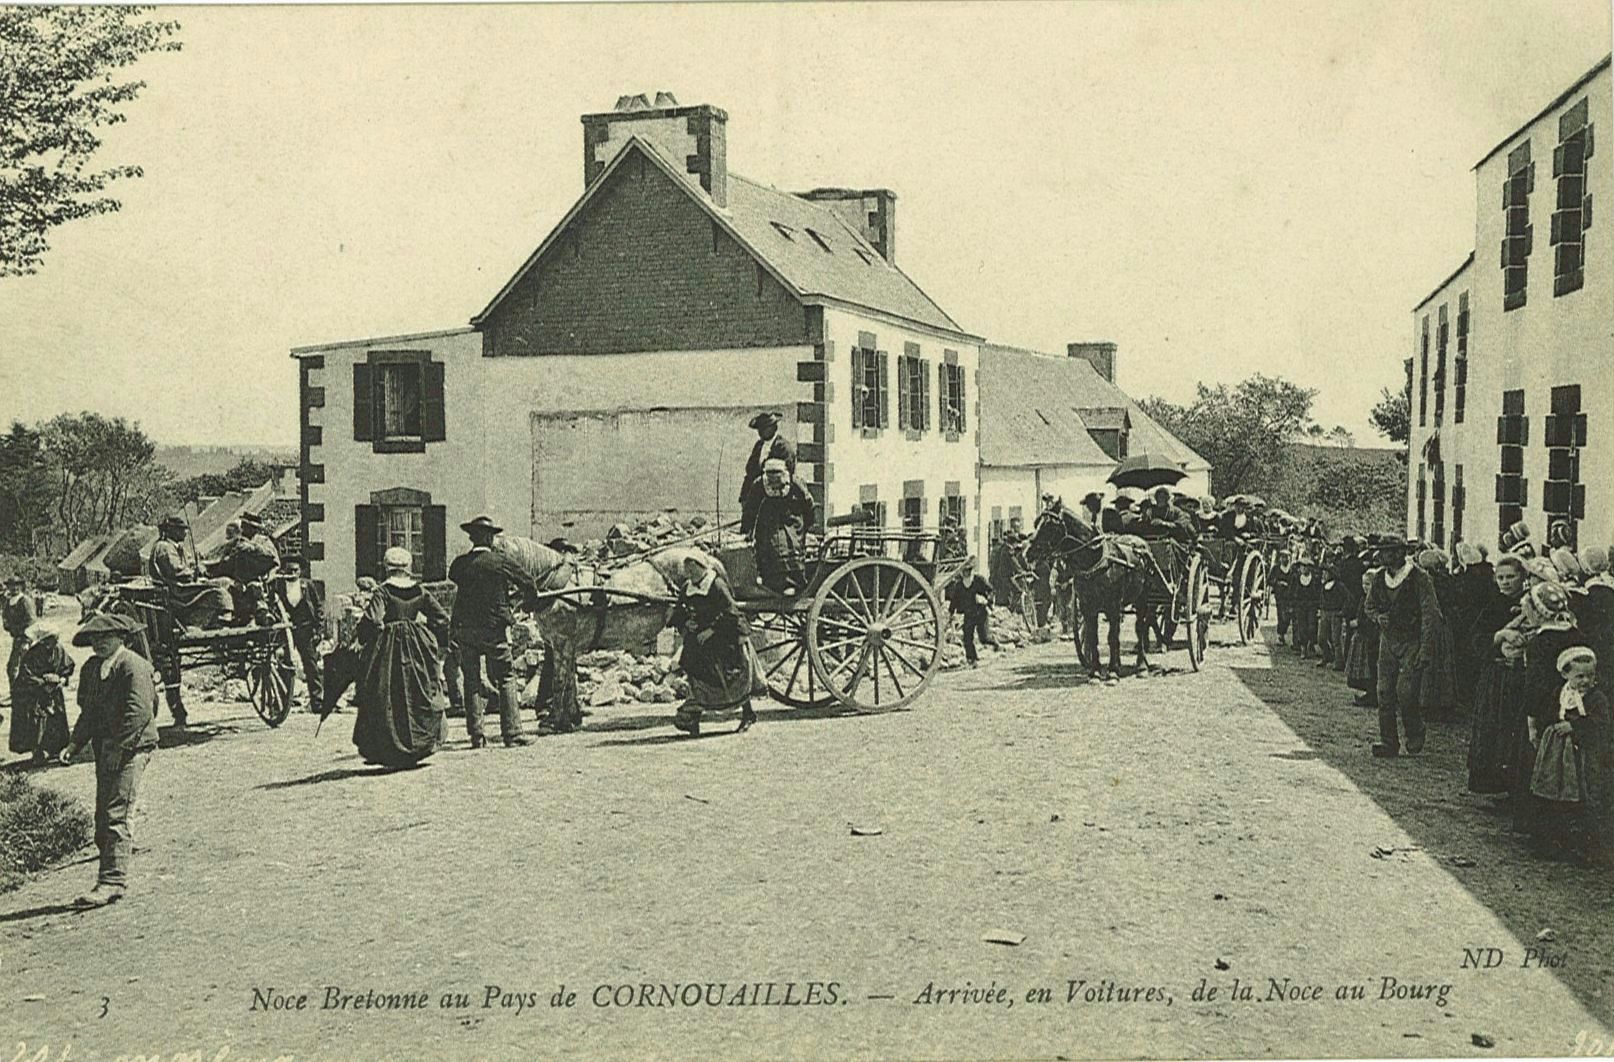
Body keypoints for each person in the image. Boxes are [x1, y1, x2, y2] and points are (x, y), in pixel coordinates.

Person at [60, 612, 159, 908]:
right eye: (94, 638)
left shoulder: (133, 666)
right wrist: (74, 744)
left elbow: (139, 712)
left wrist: (120, 747)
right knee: (103, 812)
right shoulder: (93, 669)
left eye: (106, 637)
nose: (99, 643)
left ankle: (112, 881)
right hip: (105, 747)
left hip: (132, 747)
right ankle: (111, 864)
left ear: (121, 638)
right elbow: (89, 712)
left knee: (117, 810)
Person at [344, 547, 450, 769]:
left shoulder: (383, 591)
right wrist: (429, 636)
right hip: (417, 645)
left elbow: (373, 619)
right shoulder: (419, 590)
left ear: (387, 567)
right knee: (417, 691)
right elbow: (441, 617)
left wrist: (363, 637)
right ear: (408, 567)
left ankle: (390, 748)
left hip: (389, 645)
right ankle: (418, 743)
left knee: (386, 694)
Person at [448, 515, 535, 749]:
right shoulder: (500, 561)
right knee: (506, 676)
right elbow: (529, 583)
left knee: (472, 680)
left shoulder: (459, 564)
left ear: (472, 538)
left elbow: (453, 577)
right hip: (494, 629)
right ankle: (512, 733)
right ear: (489, 538)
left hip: (465, 629)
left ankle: (477, 735)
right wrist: (521, 604)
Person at [1515, 580, 1587, 839]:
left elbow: (1534, 686)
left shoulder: (1540, 642)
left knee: (1541, 764)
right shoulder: (1576, 634)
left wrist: (1531, 721)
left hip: (1546, 713)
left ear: (1538, 612)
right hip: (1573, 709)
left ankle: (1538, 826)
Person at [1528, 646, 1609, 863]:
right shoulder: (1560, 694)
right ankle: (1553, 842)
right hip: (1558, 755)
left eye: (1590, 676)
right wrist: (1549, 728)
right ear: (1566, 674)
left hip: (1583, 756)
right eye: (1579, 676)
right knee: (1554, 793)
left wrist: (1575, 727)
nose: (1585, 681)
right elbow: (1548, 714)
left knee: (1583, 796)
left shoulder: (1596, 699)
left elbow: (1601, 724)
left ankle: (1584, 847)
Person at [1365, 539, 1441, 758]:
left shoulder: (1419, 578)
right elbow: (1369, 606)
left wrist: (1425, 649)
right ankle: (1388, 742)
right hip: (1388, 641)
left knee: (1406, 692)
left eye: (1387, 552)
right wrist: (1378, 617)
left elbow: (1430, 615)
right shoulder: (1379, 578)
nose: (1382, 556)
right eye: (1381, 552)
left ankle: (1415, 732)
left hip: (1412, 641)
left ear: (1400, 553)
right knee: (1383, 691)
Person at [669, 555, 755, 736]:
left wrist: (711, 630)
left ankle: (748, 713)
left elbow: (731, 612)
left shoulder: (716, 585)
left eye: (693, 569)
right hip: (700, 640)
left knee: (730, 676)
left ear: (702, 567)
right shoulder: (688, 588)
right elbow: (678, 611)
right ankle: (693, 719)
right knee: (695, 673)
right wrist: (686, 623)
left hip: (723, 635)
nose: (690, 574)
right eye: (687, 570)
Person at [1466, 554, 1530, 795]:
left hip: (1519, 676)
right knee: (1491, 726)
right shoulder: (1492, 604)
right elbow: (1475, 639)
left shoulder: (1530, 604)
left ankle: (1512, 787)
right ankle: (1491, 782)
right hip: (1495, 676)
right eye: (1501, 578)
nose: (1505, 582)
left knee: (1513, 729)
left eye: (1510, 577)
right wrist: (1499, 637)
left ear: (1522, 577)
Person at [148, 515, 234, 631]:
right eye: (181, 529)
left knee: (226, 582)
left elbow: (190, 562)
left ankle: (219, 619)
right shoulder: (163, 547)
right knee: (219, 593)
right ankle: (205, 622)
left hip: (185, 585)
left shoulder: (177, 547)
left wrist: (199, 567)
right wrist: (194, 573)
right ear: (172, 530)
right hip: (178, 590)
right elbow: (176, 571)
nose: (185, 533)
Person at [8, 622, 74, 765]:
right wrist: (44, 683)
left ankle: (56, 749)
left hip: (54, 691)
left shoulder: (59, 649)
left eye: (55, 639)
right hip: (34, 694)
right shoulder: (32, 654)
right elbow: (26, 676)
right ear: (43, 641)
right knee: (37, 722)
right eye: (50, 640)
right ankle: (37, 752)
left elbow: (68, 666)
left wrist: (62, 679)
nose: (54, 642)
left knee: (56, 719)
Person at [751, 458, 815, 595]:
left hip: (786, 521)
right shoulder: (762, 484)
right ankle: (777, 584)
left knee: (784, 546)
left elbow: (808, 504)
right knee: (774, 547)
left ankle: (788, 584)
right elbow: (751, 507)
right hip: (775, 523)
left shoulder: (793, 483)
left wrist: (806, 525)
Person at [738, 411, 796, 538]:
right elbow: (750, 472)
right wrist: (743, 496)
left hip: (775, 496)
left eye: (764, 429)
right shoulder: (759, 446)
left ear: (773, 428)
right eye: (759, 429)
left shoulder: (783, 447)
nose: (760, 432)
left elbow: (786, 476)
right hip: (756, 495)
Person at [281, 560, 325, 714]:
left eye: (295, 570)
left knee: (311, 665)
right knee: (285, 664)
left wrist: (319, 630)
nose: (292, 574)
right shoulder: (280, 586)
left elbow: (318, 607)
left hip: (305, 630)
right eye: (289, 571)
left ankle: (317, 702)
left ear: (300, 571)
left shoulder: (307, 585)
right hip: (287, 630)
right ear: (284, 571)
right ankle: (283, 702)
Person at [945, 557, 998, 668]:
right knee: (967, 638)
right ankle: (972, 659)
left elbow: (991, 590)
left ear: (972, 570)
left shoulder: (978, 580)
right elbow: (954, 601)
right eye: (964, 571)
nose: (966, 573)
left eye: (968, 570)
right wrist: (951, 614)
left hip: (980, 612)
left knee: (984, 638)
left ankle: (994, 642)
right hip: (968, 614)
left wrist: (987, 600)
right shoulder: (959, 585)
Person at [1346, 567, 1380, 706]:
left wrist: (1359, 623)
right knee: (1366, 666)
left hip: (1370, 637)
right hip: (1362, 636)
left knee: (1371, 666)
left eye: (1368, 584)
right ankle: (1369, 693)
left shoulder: (1376, 601)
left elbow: (1372, 620)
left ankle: (1373, 696)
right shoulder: (1363, 598)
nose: (1365, 587)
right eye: (1363, 584)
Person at [4, 573, 37, 707]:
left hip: (25, 639)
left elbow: (31, 622)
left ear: (21, 586)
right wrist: (8, 625)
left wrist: (27, 640)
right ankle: (16, 694)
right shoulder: (9, 602)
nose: (14, 588)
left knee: (19, 668)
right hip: (16, 639)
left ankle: (21, 697)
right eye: (11, 586)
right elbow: (5, 619)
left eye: (17, 585)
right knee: (11, 668)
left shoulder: (25, 601)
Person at [1290, 556, 1320, 659]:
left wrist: (1318, 607)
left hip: (1311, 606)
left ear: (1310, 568)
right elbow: (1291, 592)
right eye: (1302, 566)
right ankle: (1303, 649)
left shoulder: (1315, 579)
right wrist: (1292, 605)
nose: (1303, 568)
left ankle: (1311, 644)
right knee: (1301, 627)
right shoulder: (1296, 578)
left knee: (1311, 626)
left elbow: (1318, 594)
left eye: (1306, 566)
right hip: (1300, 606)